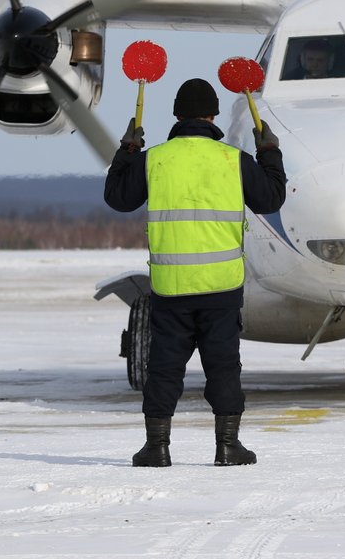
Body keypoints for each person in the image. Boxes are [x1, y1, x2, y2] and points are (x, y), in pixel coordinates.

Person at [105, 78, 287, 468]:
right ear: (213, 115)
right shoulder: (232, 159)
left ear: (176, 115)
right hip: (221, 287)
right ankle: (228, 447)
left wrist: (128, 149)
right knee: (223, 367)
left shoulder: (154, 159)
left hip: (171, 286)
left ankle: (156, 448)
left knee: (164, 367)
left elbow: (118, 198)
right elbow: (272, 198)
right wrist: (268, 151)